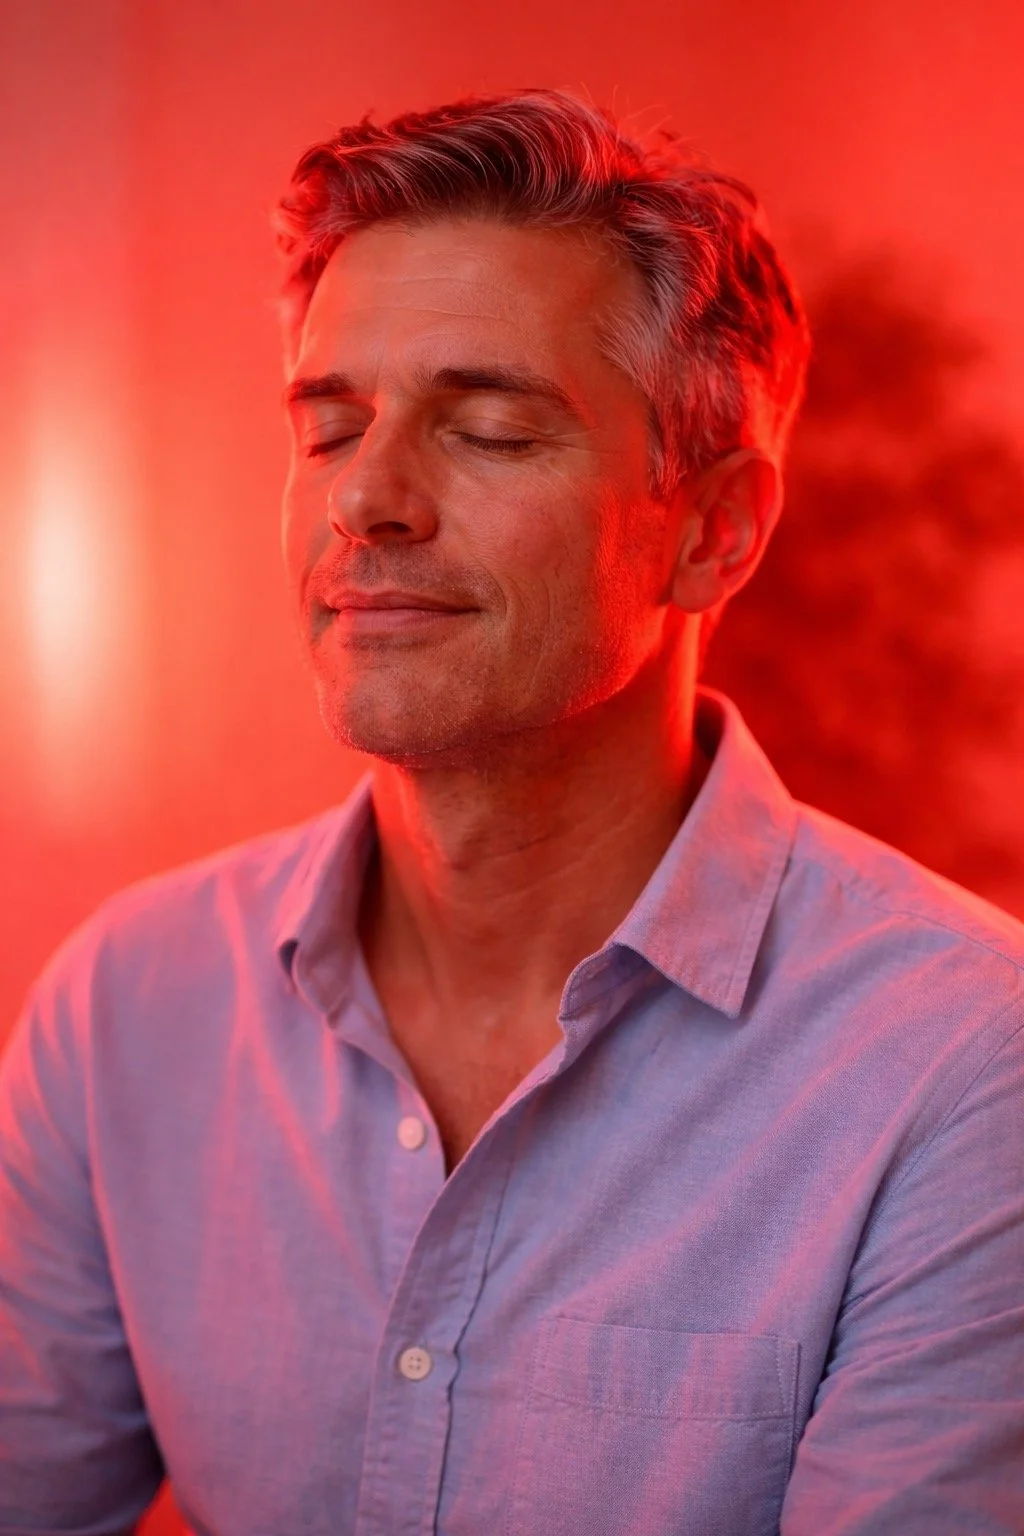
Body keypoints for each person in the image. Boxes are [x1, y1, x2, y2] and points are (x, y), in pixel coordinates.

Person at [1, 88, 1021, 1536]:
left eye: (487, 432)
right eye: (331, 426)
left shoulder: (964, 1071)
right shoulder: (124, 1012)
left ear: (714, 531)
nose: (369, 502)